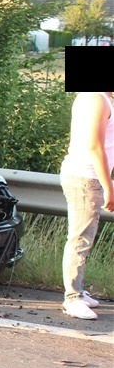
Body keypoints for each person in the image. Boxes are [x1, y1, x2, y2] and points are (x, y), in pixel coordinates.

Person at [59, 91, 114, 320]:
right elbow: (94, 146)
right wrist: (108, 185)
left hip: (85, 176)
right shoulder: (96, 99)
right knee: (80, 238)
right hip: (86, 177)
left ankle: (78, 291)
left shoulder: (96, 97)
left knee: (83, 237)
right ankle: (72, 298)